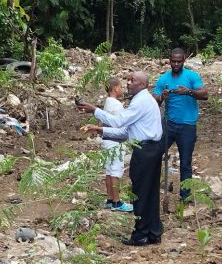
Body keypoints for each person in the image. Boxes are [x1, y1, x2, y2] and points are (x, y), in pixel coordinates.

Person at [77, 71, 163, 246]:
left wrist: (95, 110)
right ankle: (153, 232)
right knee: (150, 192)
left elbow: (118, 122)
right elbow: (126, 132)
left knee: (140, 192)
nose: (129, 83)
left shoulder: (140, 101)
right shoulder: (142, 100)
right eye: (128, 79)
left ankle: (140, 235)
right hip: (150, 148)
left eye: (133, 80)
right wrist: (100, 130)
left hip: (145, 151)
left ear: (144, 84)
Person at [152, 47, 208, 202]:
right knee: (156, 154)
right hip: (168, 124)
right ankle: (154, 188)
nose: (176, 64)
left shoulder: (192, 76)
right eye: (173, 61)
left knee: (185, 162)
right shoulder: (164, 79)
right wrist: (161, 97)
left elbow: (205, 94)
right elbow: (154, 97)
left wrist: (188, 92)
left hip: (187, 126)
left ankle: (185, 195)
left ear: (184, 61)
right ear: (169, 61)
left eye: (179, 61)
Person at [100, 78, 132, 212]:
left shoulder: (107, 102)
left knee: (109, 171)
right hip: (114, 141)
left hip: (106, 139)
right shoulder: (117, 105)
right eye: (121, 87)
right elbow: (120, 123)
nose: (123, 90)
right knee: (115, 172)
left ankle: (110, 198)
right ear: (116, 89)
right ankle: (117, 202)